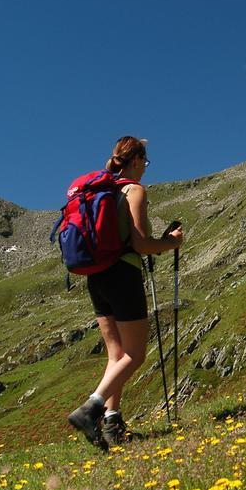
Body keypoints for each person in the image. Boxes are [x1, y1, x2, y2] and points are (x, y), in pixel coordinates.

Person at [67, 136, 183, 450]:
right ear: (135, 160)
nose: (146, 167)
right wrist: (172, 242)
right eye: (145, 161)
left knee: (116, 355)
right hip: (123, 275)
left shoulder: (103, 190)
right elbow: (141, 244)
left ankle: (111, 423)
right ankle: (91, 408)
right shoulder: (134, 190)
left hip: (96, 277)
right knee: (135, 354)